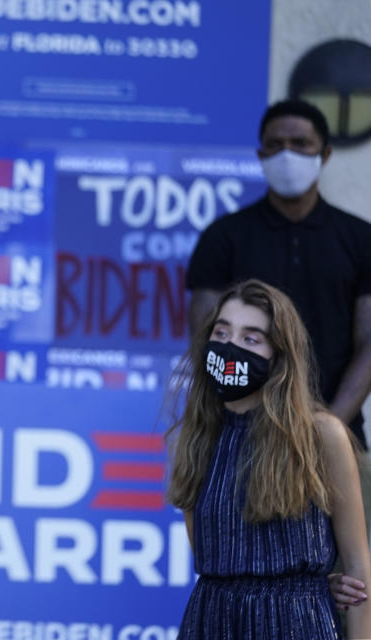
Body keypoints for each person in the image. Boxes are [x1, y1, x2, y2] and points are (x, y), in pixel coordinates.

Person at [166, 279, 371, 639]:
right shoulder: (195, 438)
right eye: (222, 332)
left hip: (299, 624)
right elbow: (213, 560)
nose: (230, 347)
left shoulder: (322, 435)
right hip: (213, 622)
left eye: (250, 338)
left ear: (279, 356)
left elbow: (358, 572)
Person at [186, 99, 371, 449]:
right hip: (241, 438)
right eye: (275, 145)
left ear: (325, 154)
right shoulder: (224, 237)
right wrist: (242, 417)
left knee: (353, 507)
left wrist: (328, 427)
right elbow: (206, 342)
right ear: (260, 155)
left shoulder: (360, 239)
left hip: (339, 438)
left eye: (300, 144)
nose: (287, 154)